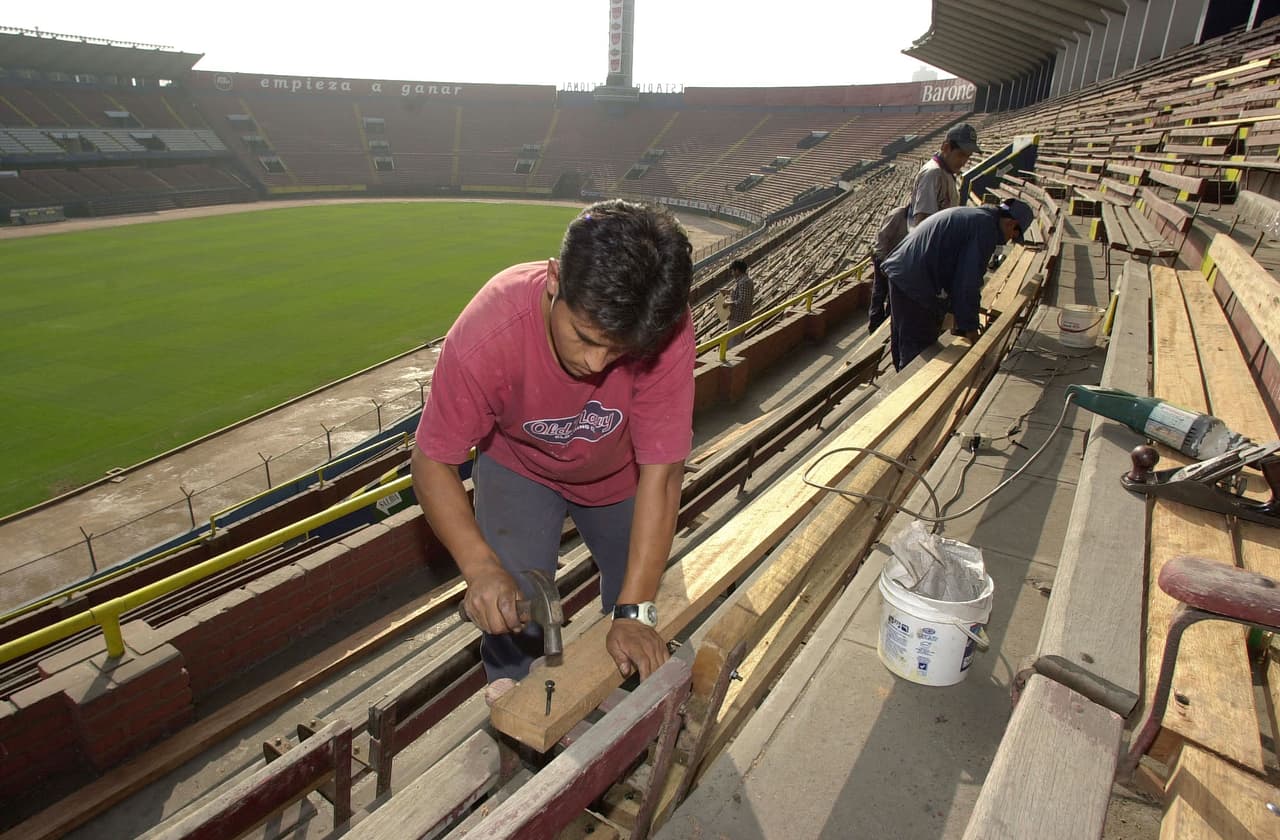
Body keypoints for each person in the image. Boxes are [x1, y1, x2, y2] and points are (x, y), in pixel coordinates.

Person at [410, 199, 694, 698]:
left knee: (639, 598)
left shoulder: (663, 329)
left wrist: (633, 611)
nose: (597, 363)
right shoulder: (488, 331)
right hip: (519, 465)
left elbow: (664, 473)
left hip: (619, 472)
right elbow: (433, 458)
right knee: (507, 604)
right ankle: (514, 702)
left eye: (622, 350)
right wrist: (480, 568)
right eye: (584, 336)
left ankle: (627, 697)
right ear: (554, 278)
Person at [883, 198, 1034, 371]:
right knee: (918, 350)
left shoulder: (976, 217)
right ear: (1011, 224)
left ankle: (897, 387)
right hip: (915, 281)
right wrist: (969, 327)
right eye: (1013, 237)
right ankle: (908, 391)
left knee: (903, 338)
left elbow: (959, 276)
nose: (1008, 241)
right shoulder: (986, 228)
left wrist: (958, 317)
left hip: (901, 271)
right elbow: (967, 283)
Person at [869, 122, 983, 333]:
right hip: (920, 260)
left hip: (922, 260)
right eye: (961, 155)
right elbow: (923, 224)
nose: (964, 161)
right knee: (891, 309)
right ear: (946, 147)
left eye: (967, 156)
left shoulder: (945, 173)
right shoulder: (933, 174)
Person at [719, 259, 754, 347]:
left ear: (737, 270)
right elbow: (740, 293)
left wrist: (728, 303)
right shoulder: (742, 281)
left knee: (733, 342)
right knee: (734, 340)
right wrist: (728, 291)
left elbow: (743, 301)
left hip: (738, 317)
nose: (732, 273)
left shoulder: (744, 282)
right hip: (737, 316)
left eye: (732, 271)